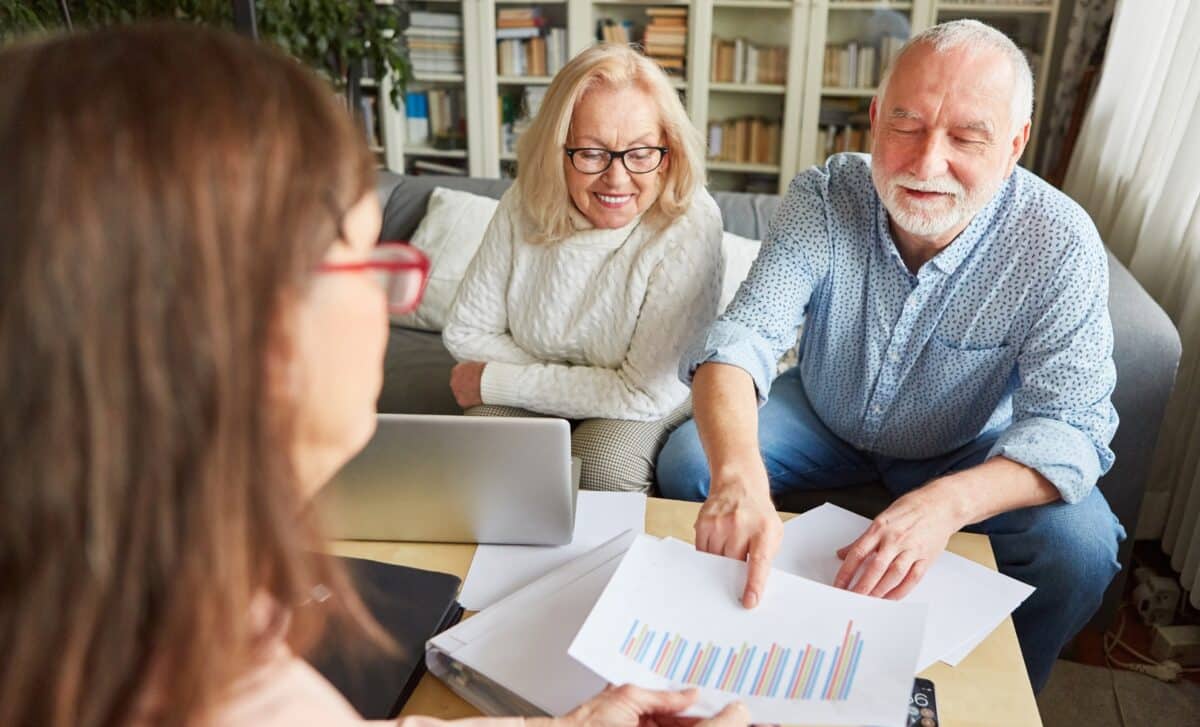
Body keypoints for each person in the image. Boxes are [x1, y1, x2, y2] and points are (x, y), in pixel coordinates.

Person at [0, 24, 748, 727]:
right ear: (223, 331)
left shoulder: (160, 620)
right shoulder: (210, 670)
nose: (399, 296)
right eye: (365, 262)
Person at [655, 19, 1123, 692]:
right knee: (692, 461)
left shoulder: (1060, 243)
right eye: (906, 125)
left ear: (1015, 143)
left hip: (965, 443)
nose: (926, 162)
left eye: (966, 136)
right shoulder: (824, 194)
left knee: (1081, 546)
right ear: (875, 118)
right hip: (821, 410)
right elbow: (741, 340)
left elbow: (1072, 427)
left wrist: (948, 503)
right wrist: (737, 475)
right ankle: (749, 650)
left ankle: (988, 692)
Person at [441, 44, 723, 494]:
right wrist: (571, 385)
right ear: (558, 150)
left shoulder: (691, 220)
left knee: (603, 465)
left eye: (640, 152)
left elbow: (642, 391)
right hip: (603, 384)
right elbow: (465, 333)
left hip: (654, 391)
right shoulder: (524, 201)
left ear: (668, 153)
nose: (617, 179)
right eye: (592, 154)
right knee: (486, 448)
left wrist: (499, 380)